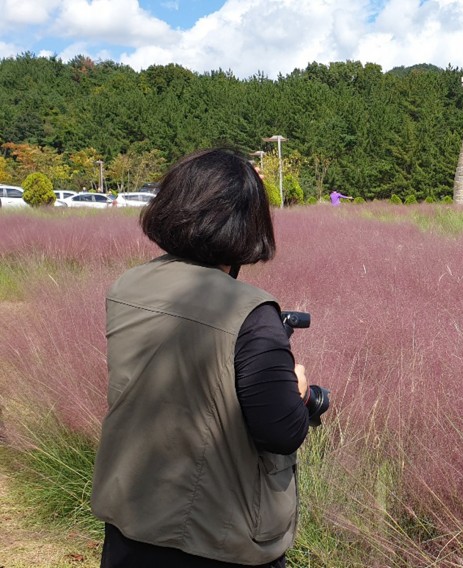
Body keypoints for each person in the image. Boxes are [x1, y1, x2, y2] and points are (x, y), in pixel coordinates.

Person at [92, 148, 312, 567]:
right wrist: (298, 389)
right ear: (249, 222)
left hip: (131, 518)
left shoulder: (128, 285)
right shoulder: (251, 312)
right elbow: (281, 432)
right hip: (219, 540)